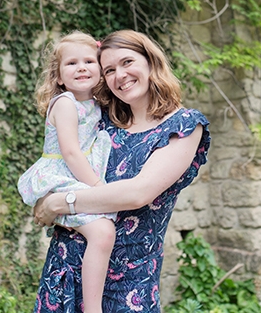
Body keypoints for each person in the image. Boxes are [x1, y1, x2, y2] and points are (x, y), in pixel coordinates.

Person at [32, 29, 211, 312]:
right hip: (66, 271)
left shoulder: (183, 126)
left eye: (128, 62)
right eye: (110, 70)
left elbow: (137, 193)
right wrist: (48, 201)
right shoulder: (102, 121)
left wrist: (59, 203)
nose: (120, 75)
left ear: (151, 62)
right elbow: (61, 167)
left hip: (129, 286)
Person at [18, 31, 116, 313]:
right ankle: (93, 308)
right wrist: (99, 187)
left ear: (100, 70)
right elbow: (71, 153)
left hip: (76, 177)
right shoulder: (65, 104)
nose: (82, 67)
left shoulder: (95, 105)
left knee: (102, 232)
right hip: (61, 178)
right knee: (102, 232)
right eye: (72, 63)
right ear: (59, 76)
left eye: (89, 61)